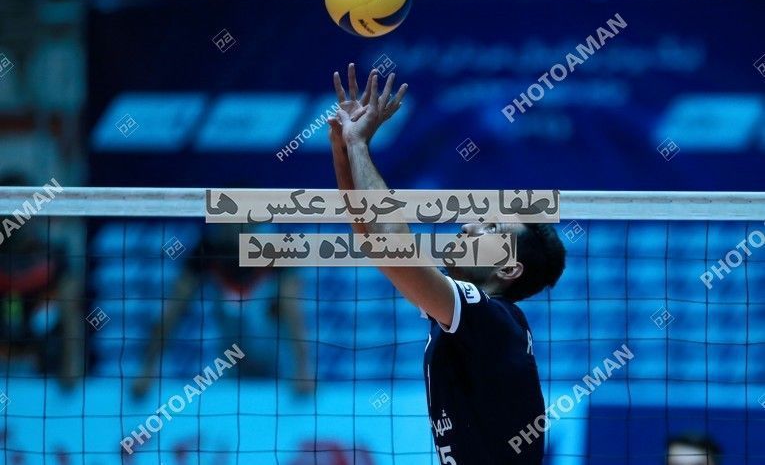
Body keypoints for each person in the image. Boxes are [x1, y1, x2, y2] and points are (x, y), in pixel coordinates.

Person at [328, 64, 566, 464]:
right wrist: (344, 145)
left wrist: (358, 146)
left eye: (491, 227)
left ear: (508, 269)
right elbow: (372, 239)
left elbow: (392, 250)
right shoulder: (481, 321)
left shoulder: (486, 316)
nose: (469, 225)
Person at [132, 224, 313, 396]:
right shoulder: (206, 250)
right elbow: (173, 311)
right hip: (229, 359)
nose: (230, 225)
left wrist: (303, 367)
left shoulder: (276, 250)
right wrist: (148, 367)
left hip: (276, 361)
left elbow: (294, 313)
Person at [0, 173, 84, 389]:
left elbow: (71, 314)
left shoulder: (55, 258)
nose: (15, 218)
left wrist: (72, 365)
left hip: (44, 373)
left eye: (22, 209)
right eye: (8, 209)